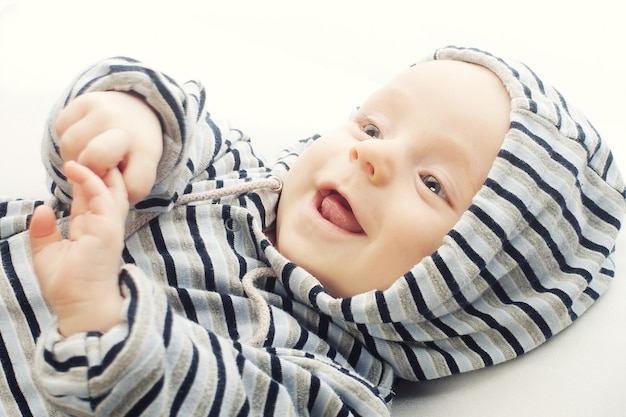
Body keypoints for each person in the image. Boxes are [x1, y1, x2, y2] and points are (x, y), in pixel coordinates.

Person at [0, 46, 623, 416]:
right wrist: (126, 117)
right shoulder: (232, 177)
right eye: (373, 127)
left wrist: (99, 320)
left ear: (464, 295)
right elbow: (173, 124)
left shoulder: (328, 383)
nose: (372, 157)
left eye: (433, 184)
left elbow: (219, 402)